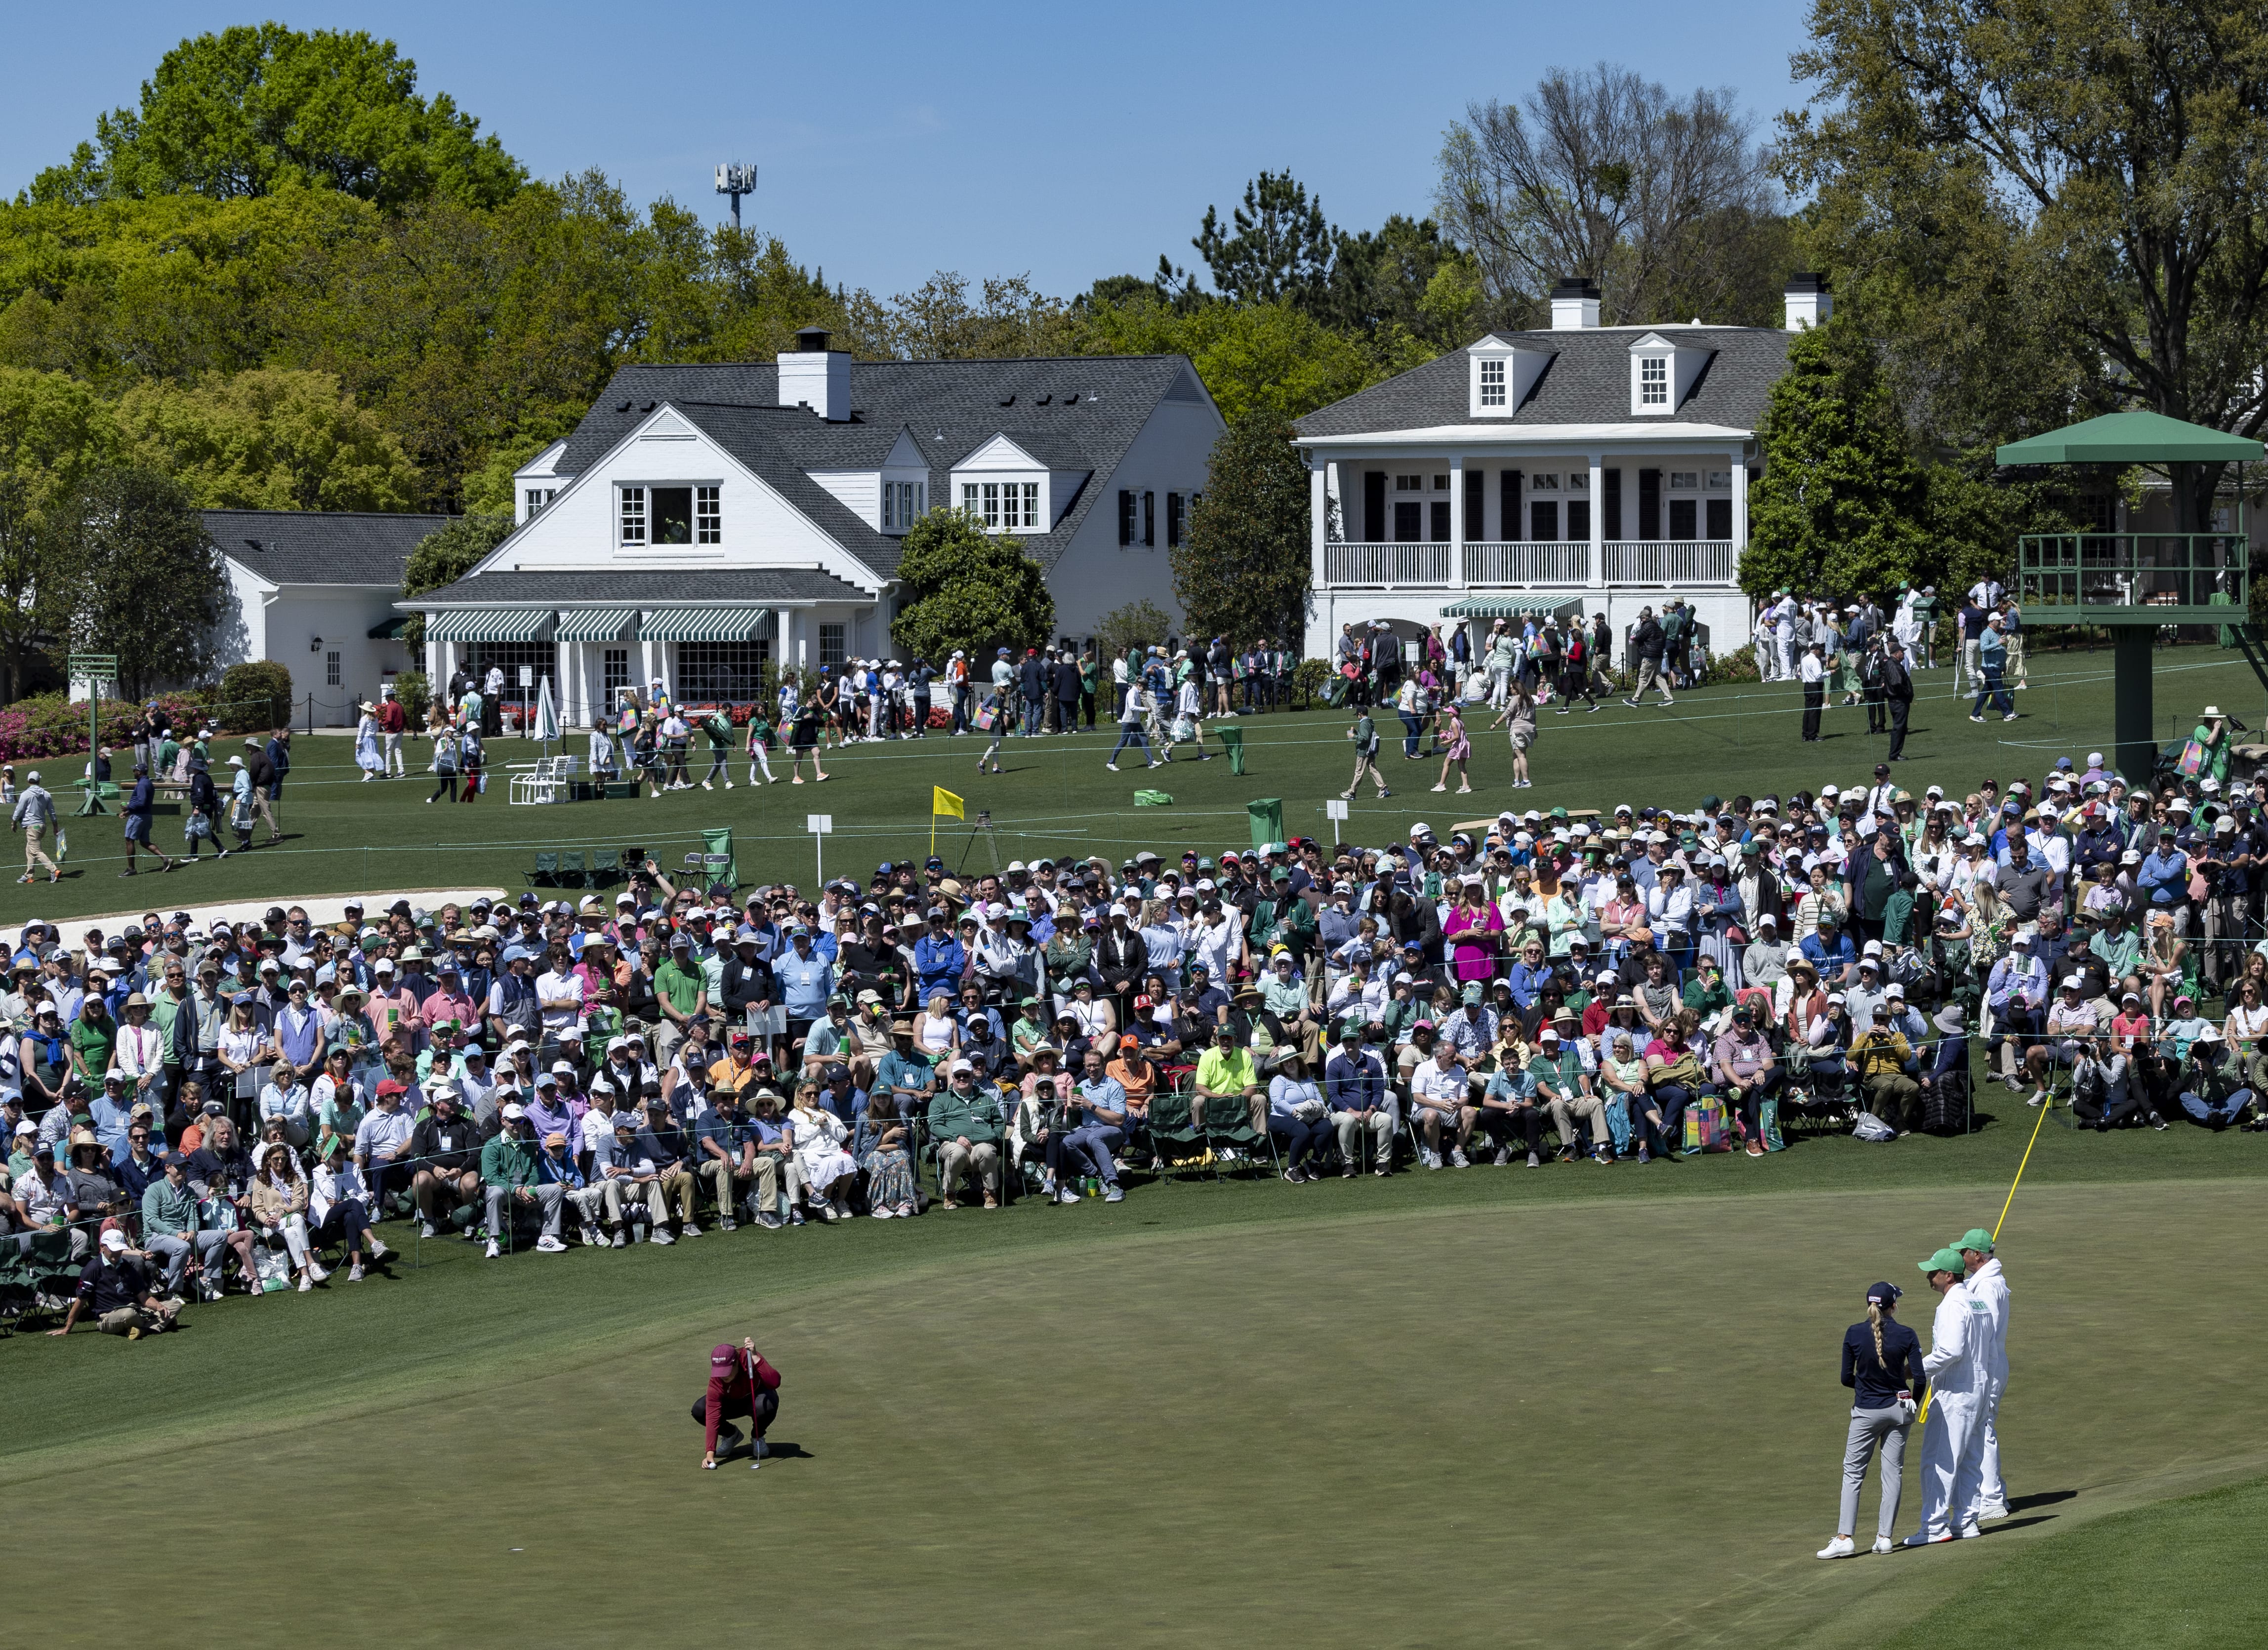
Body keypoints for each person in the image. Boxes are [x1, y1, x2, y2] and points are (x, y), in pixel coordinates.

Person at [1817, 1281, 1925, 1559]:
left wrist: (1867, 1385)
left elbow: (1846, 1378)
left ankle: (1845, 1538)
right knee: (1892, 1474)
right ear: (1893, 1306)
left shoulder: (1854, 1333)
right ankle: (1885, 1538)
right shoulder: (1907, 1334)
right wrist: (1913, 1401)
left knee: (1853, 1473)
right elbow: (1920, 1377)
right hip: (1899, 1411)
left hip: (1866, 1412)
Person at [1905, 1246, 1987, 1545]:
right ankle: (1966, 1521)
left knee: (1938, 1460)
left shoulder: (1952, 1305)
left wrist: (1913, 1370)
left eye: (1933, 1272)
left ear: (1949, 1276)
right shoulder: (1977, 1302)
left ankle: (1934, 1526)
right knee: (1969, 1460)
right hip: (1978, 1388)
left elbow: (1950, 1351)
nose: (1929, 1277)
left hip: (1955, 1391)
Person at [1955, 1227, 2012, 1522]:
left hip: (1988, 1366)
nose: (1960, 1256)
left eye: (1964, 1252)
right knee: (1983, 1427)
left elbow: (1984, 1328)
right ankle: (1996, 1491)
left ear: (1977, 1255)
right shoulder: (1985, 1281)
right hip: (1990, 1364)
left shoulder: (1988, 1286)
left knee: (1983, 1428)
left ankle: (1991, 1498)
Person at [48, 1228, 184, 1338]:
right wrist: (67, 1328)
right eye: (113, 1250)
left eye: (119, 1249)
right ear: (102, 1247)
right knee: (129, 1315)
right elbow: (81, 1300)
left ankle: (144, 1330)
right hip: (108, 1316)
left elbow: (143, 1296)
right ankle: (157, 1324)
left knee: (175, 1305)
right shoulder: (93, 1268)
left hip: (135, 1309)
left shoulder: (126, 1266)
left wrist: (159, 1306)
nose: (117, 1253)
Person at [697, 1338, 783, 1469]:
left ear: (736, 1362)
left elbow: (775, 1382)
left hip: (755, 1399)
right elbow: (712, 1415)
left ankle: (758, 1437)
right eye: (720, 1371)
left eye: (726, 1371)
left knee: (768, 1403)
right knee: (700, 1410)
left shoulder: (749, 1357)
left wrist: (755, 1356)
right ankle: (731, 1435)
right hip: (732, 1403)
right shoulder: (717, 1379)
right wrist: (710, 1453)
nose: (723, 1376)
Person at [1340, 703, 1390, 800]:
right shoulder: (1369, 722)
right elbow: (1367, 735)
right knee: (1373, 769)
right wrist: (1357, 732)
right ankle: (1383, 788)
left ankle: (1352, 792)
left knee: (1359, 772)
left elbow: (1365, 738)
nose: (1357, 717)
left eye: (1357, 715)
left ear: (1360, 714)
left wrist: (1354, 736)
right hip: (1370, 750)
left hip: (1364, 751)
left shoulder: (1364, 723)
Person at [1799, 641, 1826, 742]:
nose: (1821, 652)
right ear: (1816, 651)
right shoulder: (1815, 661)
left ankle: (1805, 734)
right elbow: (1818, 676)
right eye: (1820, 651)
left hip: (1807, 686)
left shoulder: (1804, 659)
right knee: (1815, 711)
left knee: (1808, 710)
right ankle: (1813, 735)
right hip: (1815, 686)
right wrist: (1829, 673)